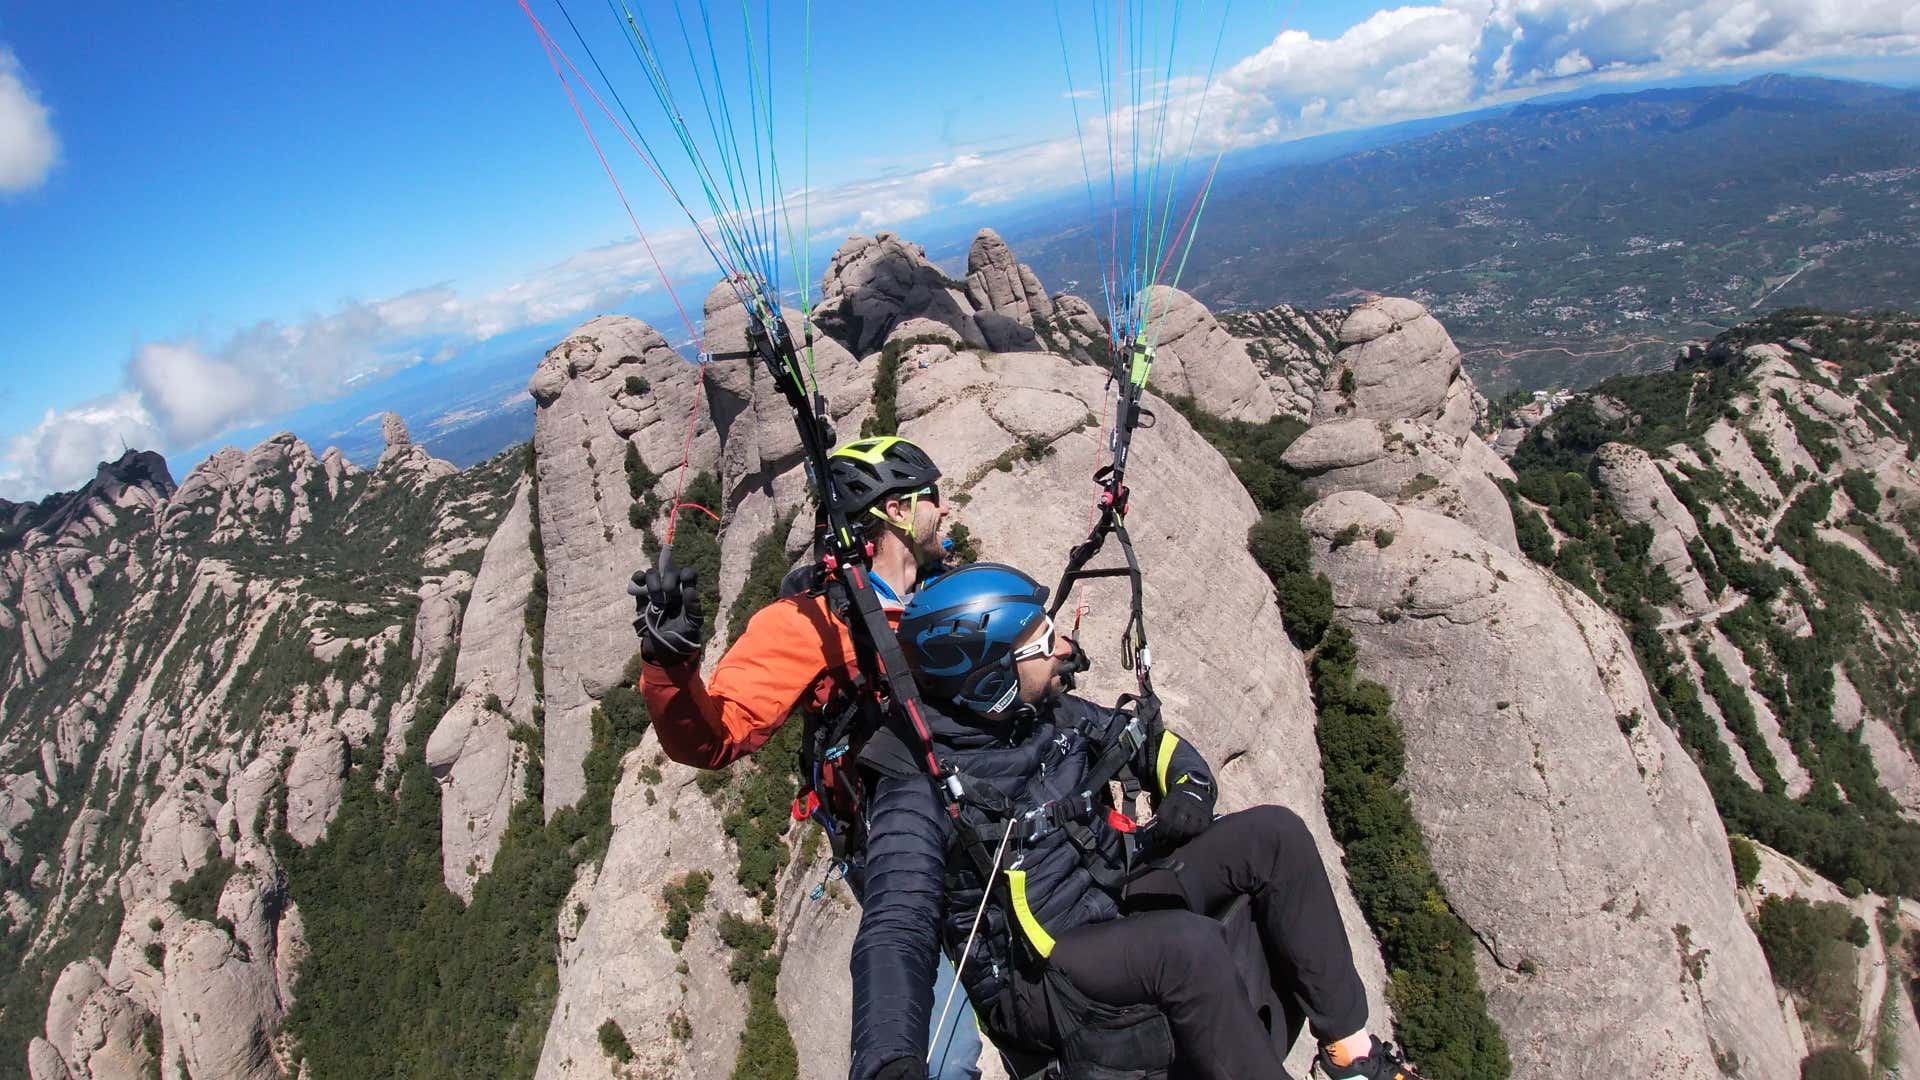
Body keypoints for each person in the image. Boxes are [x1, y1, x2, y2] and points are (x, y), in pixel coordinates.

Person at [850, 563, 1423, 1080]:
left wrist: (1190, 788)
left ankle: (1351, 1054)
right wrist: (889, 1060)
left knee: (1275, 836)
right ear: (991, 679)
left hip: (1109, 891)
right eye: (1044, 641)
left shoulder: (1046, 712)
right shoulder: (915, 784)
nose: (1065, 647)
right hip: (1041, 969)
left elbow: (1146, 741)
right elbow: (895, 929)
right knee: (1185, 947)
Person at [631, 434, 982, 1079]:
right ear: (897, 512)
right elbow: (715, 738)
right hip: (895, 856)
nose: (947, 510)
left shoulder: (945, 599)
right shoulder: (809, 623)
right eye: (933, 498)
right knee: (942, 1059)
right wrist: (669, 664)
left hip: (980, 830)